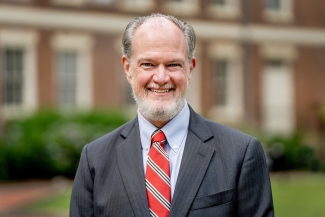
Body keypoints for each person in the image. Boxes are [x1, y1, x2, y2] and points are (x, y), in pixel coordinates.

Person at [70, 13, 274, 217]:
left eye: (173, 65)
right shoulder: (94, 159)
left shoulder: (241, 153)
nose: (160, 78)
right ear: (128, 68)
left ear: (190, 69)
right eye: (148, 64)